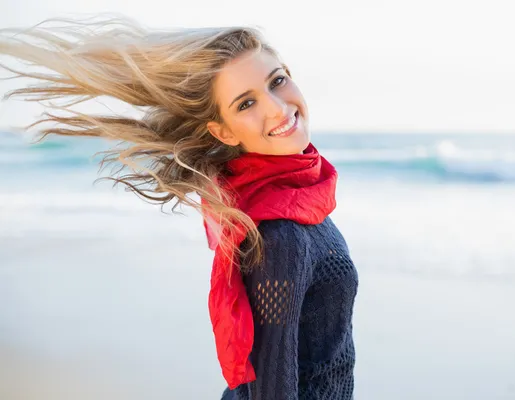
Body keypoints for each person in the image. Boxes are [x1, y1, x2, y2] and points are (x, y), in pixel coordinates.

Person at [0, 15, 359, 399]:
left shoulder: (299, 197)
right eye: (246, 103)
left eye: (277, 81)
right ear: (222, 131)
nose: (276, 108)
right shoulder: (279, 236)